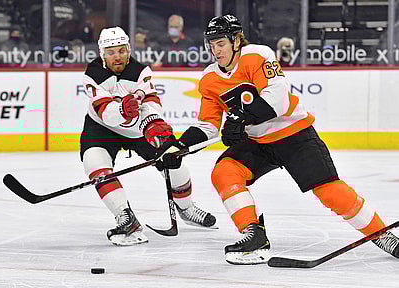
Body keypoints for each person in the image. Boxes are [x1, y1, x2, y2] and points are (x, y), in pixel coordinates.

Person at [156, 14, 399, 264]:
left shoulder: (257, 55)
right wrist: (179, 146)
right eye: (212, 44)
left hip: (293, 134)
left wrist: (242, 119)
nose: (215, 50)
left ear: (236, 40)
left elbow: (278, 97)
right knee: (224, 172)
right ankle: (254, 234)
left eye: (221, 44)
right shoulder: (209, 79)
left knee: (329, 191)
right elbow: (207, 124)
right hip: (257, 143)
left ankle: (383, 236)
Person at [80, 26, 217, 246]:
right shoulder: (93, 75)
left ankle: (186, 208)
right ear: (102, 54)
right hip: (102, 128)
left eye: (122, 50)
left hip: (137, 129)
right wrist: (123, 110)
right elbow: (106, 114)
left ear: (129, 50)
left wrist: (153, 124)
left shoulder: (141, 72)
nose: (118, 56)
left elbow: (151, 101)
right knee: (94, 162)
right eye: (111, 51)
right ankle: (126, 218)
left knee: (175, 161)